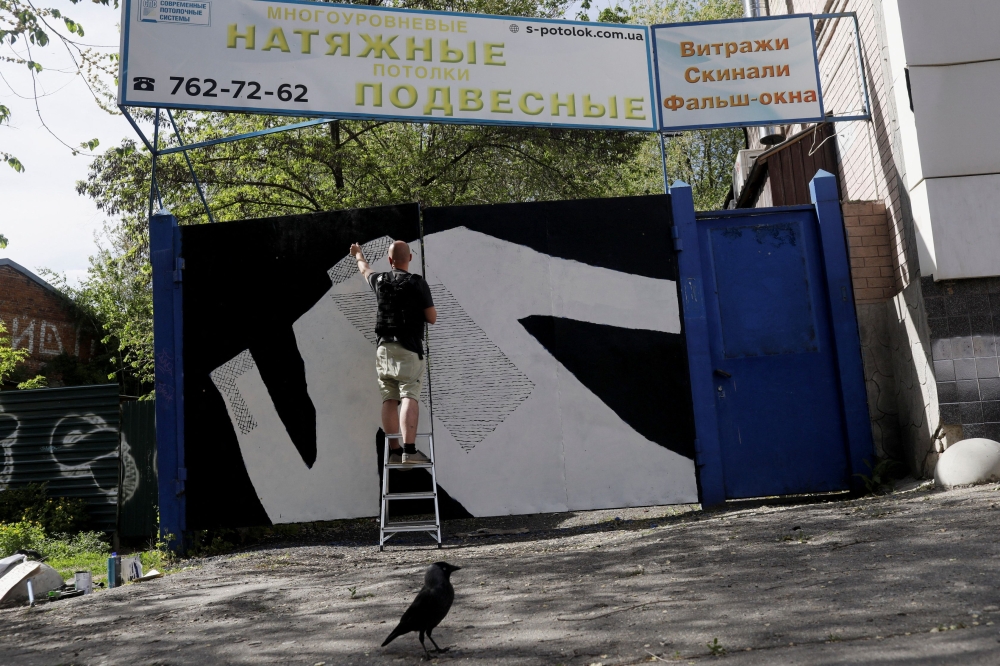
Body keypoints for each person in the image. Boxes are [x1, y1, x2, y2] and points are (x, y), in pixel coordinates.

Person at [350, 240, 437, 465]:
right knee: (409, 395)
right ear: (409, 258)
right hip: (408, 348)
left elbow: (364, 269)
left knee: (389, 397)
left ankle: (395, 451)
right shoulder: (417, 283)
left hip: (383, 349)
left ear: (390, 261)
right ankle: (409, 452)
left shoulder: (380, 280)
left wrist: (358, 254)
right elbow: (432, 318)